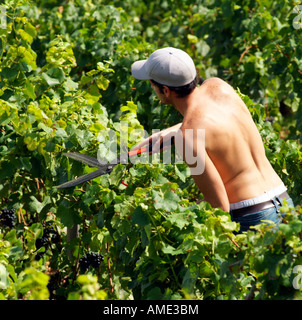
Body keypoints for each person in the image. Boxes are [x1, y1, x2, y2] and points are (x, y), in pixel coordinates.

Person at [131, 47, 294, 232]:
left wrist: (177, 211)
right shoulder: (220, 87)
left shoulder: (188, 136)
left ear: (165, 90)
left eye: (153, 85)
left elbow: (219, 207)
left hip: (253, 216)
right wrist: (164, 136)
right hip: (284, 200)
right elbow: (208, 119)